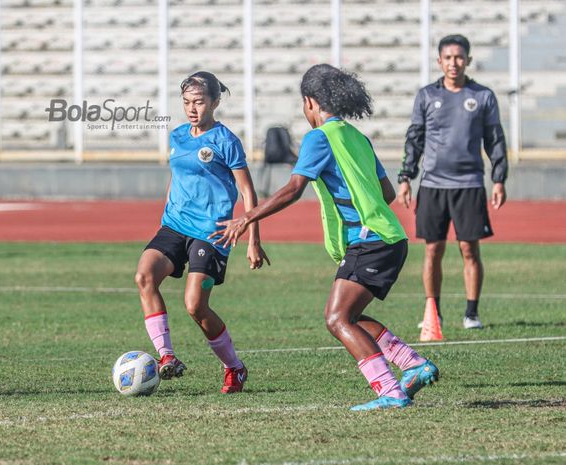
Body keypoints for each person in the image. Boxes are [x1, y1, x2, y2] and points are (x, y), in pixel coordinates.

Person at [212, 64, 439, 411]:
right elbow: (387, 192)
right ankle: (413, 364)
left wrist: (246, 217)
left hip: (371, 240)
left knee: (336, 318)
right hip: (389, 237)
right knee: (351, 316)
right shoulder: (356, 136)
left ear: (311, 102)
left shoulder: (319, 137)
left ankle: (390, 390)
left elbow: (292, 189)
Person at [134, 71, 269, 394]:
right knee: (144, 277)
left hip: (211, 232)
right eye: (186, 102)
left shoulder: (226, 141)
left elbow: (248, 192)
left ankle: (234, 368)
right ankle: (167, 356)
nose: (192, 108)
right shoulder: (178, 136)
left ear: (215, 102)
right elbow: (177, 177)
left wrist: (253, 238)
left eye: (199, 102)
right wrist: (166, 213)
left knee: (195, 305)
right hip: (174, 225)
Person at [397, 35, 508, 330]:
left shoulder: (482, 96)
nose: (453, 63)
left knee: (469, 249)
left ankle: (472, 313)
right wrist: (406, 176)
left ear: (468, 60)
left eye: (459, 57)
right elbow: (415, 139)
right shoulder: (426, 96)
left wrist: (499, 179)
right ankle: (433, 312)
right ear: (439, 61)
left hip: (469, 184)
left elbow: (494, 140)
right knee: (433, 249)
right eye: (447, 58)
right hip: (433, 185)